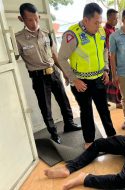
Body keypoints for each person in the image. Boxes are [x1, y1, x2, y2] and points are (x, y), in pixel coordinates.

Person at [15, 3, 81, 144]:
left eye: (36, 19)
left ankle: (69, 124)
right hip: (38, 78)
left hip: (54, 73)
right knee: (46, 107)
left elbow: (54, 56)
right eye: (29, 20)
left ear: (39, 17)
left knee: (64, 100)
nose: (34, 23)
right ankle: (53, 133)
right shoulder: (17, 39)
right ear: (21, 19)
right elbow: (13, 60)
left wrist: (64, 72)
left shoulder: (46, 34)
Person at [57, 3, 116, 149]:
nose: (98, 26)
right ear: (85, 20)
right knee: (86, 111)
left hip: (98, 78)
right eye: (96, 22)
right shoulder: (72, 35)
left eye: (100, 22)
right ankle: (89, 141)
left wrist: (106, 69)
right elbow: (62, 58)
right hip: (80, 81)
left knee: (104, 109)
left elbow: (104, 50)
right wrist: (74, 79)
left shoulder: (101, 32)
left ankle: (112, 136)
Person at [104, 9, 123, 109]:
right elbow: (109, 50)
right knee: (114, 81)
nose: (116, 20)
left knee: (109, 82)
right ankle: (118, 102)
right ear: (109, 18)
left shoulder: (112, 29)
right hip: (111, 61)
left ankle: (106, 100)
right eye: (115, 18)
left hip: (115, 59)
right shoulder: (107, 31)